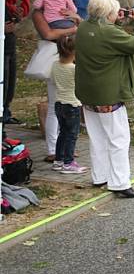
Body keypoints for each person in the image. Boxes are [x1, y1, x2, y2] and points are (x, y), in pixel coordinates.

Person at [75, 0, 134, 198]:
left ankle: (100, 176)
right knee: (119, 139)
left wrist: (117, 21)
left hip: (88, 94)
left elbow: (108, 35)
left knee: (97, 138)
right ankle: (120, 182)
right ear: (108, 13)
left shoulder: (83, 27)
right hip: (109, 95)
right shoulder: (108, 33)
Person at [50, 35, 87, 174]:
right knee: (72, 134)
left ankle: (58, 160)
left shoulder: (55, 65)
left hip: (59, 103)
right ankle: (68, 162)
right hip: (72, 104)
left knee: (63, 133)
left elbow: (53, 81)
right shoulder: (74, 69)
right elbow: (81, 84)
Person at [4, 0, 30, 124]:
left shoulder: (6, 3)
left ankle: (5, 111)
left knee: (10, 83)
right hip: (5, 48)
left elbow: (19, 12)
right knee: (5, 82)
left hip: (10, 46)